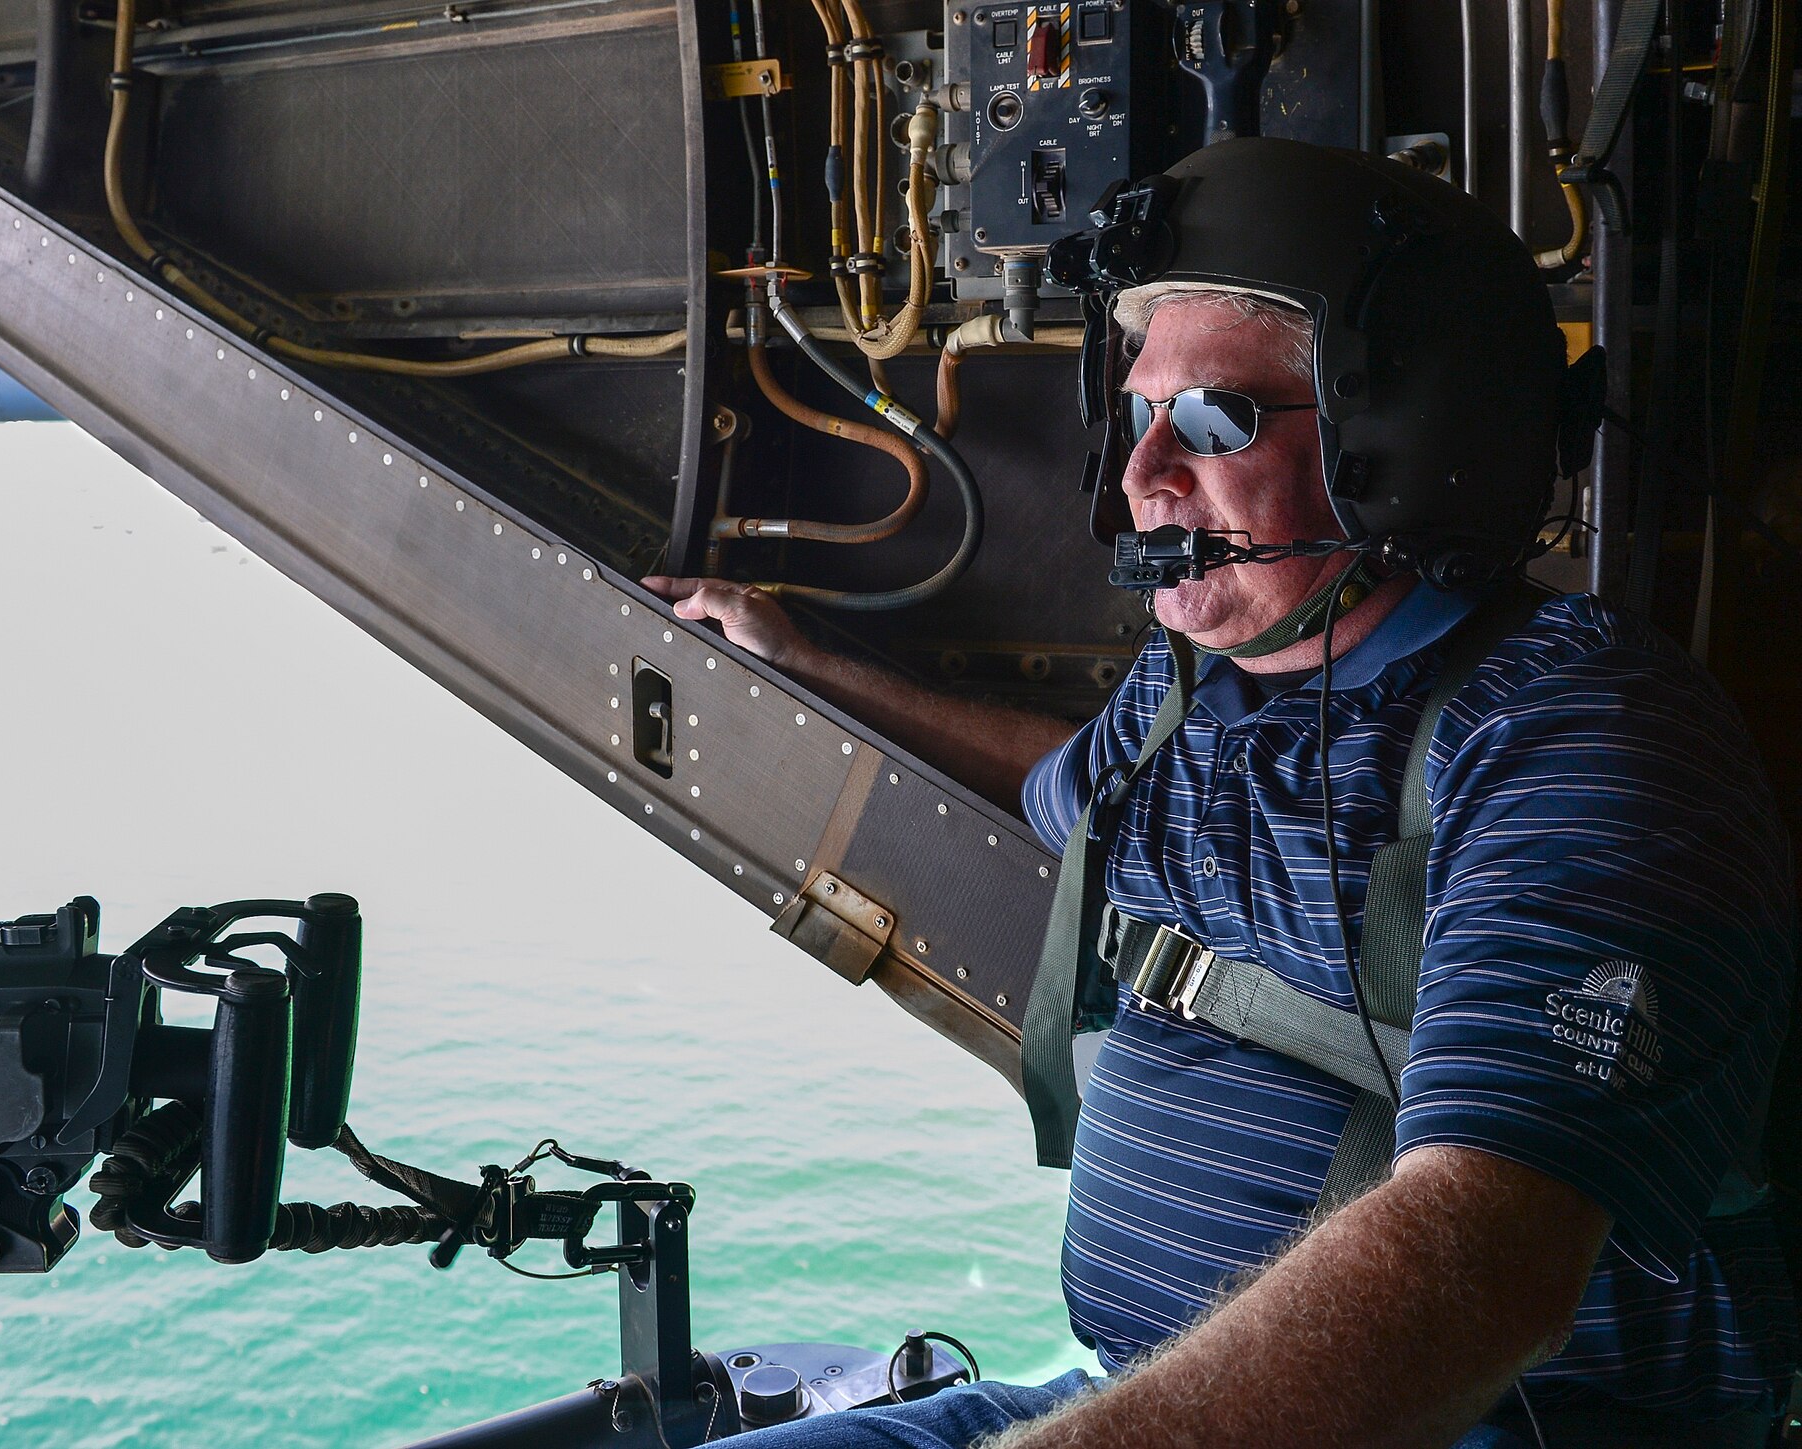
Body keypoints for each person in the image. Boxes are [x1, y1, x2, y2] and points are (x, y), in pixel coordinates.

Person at [647, 139, 1796, 1448]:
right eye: (1137, 418)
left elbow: (1478, 1268)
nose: (1143, 480)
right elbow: (1062, 785)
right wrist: (820, 669)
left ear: (1408, 438)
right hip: (1128, 1396)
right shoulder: (1198, 685)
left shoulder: (1578, 744)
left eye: (1209, 420)